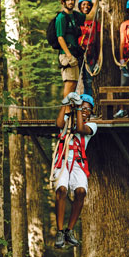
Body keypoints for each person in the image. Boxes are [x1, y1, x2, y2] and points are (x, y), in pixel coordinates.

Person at [53, 93, 97, 248]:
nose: (85, 111)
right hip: (63, 159)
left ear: (91, 112)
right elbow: (59, 124)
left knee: (80, 192)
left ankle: (69, 230)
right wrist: (65, 105)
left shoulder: (92, 125)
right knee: (62, 190)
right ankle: (59, 231)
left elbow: (79, 128)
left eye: (87, 109)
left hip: (78, 162)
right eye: (82, 107)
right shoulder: (67, 121)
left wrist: (78, 108)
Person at [56, 0, 102, 99]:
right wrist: (69, 55)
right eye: (68, 0)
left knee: (77, 83)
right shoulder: (61, 17)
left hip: (77, 55)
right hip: (68, 55)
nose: (70, 2)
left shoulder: (75, 16)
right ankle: (67, 113)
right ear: (63, 2)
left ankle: (74, 112)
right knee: (70, 84)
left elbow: (90, 16)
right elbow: (60, 38)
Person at [77, 0, 101, 97]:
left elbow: (98, 40)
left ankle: (87, 109)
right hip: (78, 54)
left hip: (90, 55)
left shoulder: (95, 23)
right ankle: (74, 109)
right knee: (75, 82)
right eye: (84, 4)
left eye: (88, 5)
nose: (86, 7)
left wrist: (99, 57)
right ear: (80, 6)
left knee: (88, 82)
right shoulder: (76, 21)